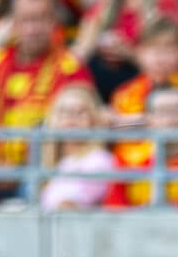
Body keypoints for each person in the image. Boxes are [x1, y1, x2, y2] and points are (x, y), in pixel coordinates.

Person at [0, 0, 91, 166]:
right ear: (13, 24)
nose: (33, 29)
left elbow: (87, 133)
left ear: (53, 23)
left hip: (46, 173)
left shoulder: (71, 68)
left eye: (41, 19)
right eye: (26, 20)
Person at [108, 19, 178, 126]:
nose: (160, 57)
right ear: (139, 53)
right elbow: (116, 135)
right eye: (154, 49)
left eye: (168, 50)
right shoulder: (124, 95)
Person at [39, 81, 119, 210]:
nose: (71, 118)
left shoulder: (99, 160)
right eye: (63, 111)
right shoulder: (50, 161)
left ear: (93, 119)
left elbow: (72, 206)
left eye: (81, 111)